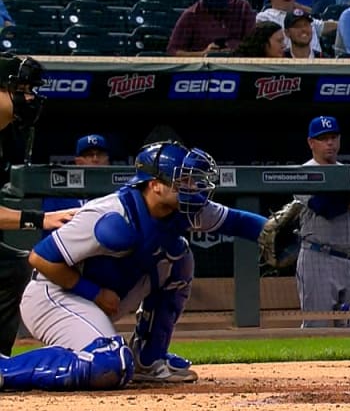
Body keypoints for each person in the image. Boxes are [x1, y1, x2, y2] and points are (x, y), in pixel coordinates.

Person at [16, 141, 267, 389]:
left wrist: (279, 235)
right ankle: (7, 370)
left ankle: (148, 360)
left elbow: (240, 223)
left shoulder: (183, 207)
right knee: (111, 363)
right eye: (182, 181)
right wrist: (94, 293)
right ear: (155, 185)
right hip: (53, 297)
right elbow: (40, 258)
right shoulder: (112, 215)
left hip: (99, 298)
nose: (192, 187)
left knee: (178, 258)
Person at [0, 54, 75, 357]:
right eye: (21, 89)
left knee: (13, 268)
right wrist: (39, 219)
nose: (30, 97)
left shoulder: (7, 137)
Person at [295, 116, 350, 327]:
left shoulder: (348, 172)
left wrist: (347, 199)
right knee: (315, 326)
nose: (330, 143)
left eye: (333, 137)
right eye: (323, 138)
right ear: (311, 143)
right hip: (319, 256)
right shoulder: (303, 173)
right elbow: (326, 208)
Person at [166, 0, 257, 56]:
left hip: (237, 66)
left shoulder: (242, 8)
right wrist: (203, 54)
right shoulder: (191, 14)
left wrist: (234, 48)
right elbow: (173, 51)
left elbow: (254, 45)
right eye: (212, 2)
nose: (216, 8)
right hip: (202, 69)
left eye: (220, 2)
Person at [42, 135, 112, 220]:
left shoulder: (117, 191)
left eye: (100, 154)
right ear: (78, 161)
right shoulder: (58, 192)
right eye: (89, 155)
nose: (95, 159)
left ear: (107, 159)